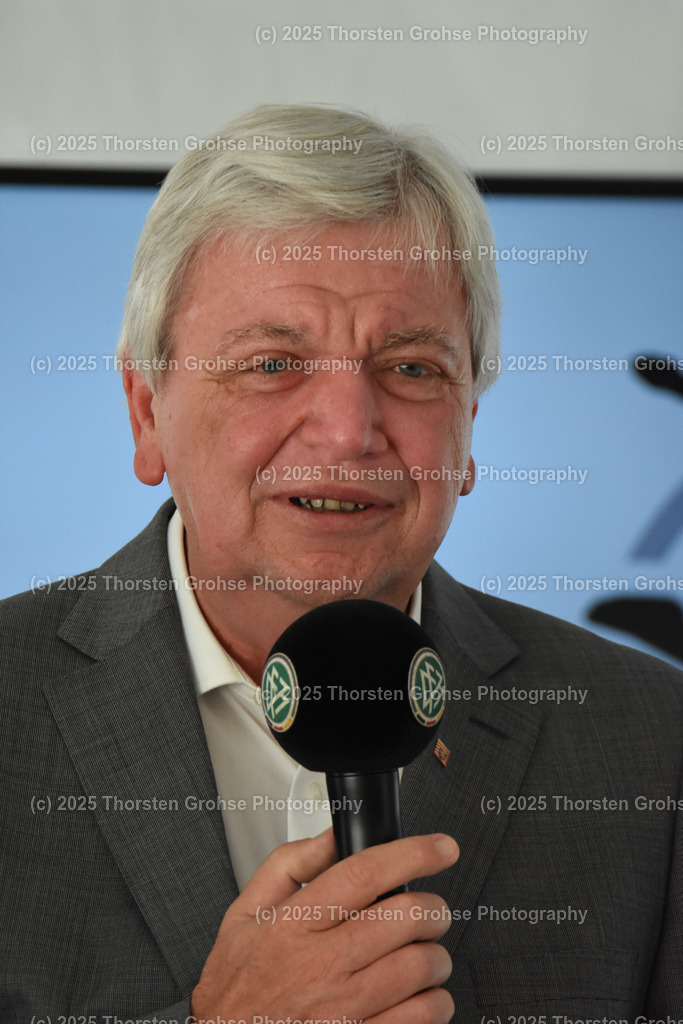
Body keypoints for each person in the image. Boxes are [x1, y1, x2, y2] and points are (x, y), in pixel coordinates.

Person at [1, 104, 682, 1023]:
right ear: (145, 411)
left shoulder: (651, 745)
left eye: (409, 369)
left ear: (470, 421)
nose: (347, 432)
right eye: (273, 362)